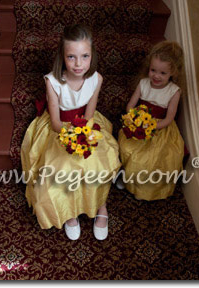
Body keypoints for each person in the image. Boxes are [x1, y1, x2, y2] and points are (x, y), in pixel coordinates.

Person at [21, 24, 121, 240]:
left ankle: (100, 206)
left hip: (85, 124)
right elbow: (56, 121)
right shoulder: (53, 81)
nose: (78, 64)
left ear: (92, 55)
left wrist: (84, 135)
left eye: (84, 56)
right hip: (61, 129)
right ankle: (69, 211)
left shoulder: (97, 79)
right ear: (62, 56)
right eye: (72, 57)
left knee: (96, 161)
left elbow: (90, 113)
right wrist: (71, 137)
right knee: (63, 167)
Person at [117, 41, 185, 201]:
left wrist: (152, 126)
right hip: (139, 123)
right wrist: (135, 120)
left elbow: (169, 118)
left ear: (173, 73)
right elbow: (130, 106)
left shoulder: (174, 92)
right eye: (153, 70)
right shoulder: (143, 83)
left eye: (162, 73)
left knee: (157, 157)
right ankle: (126, 177)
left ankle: (144, 188)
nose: (156, 76)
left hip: (160, 128)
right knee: (130, 150)